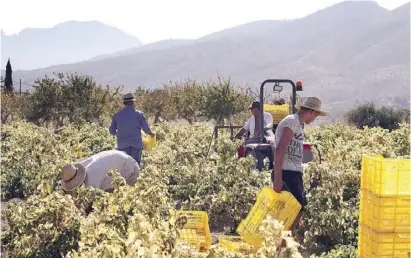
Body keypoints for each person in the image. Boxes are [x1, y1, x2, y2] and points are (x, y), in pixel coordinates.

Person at [272, 97, 326, 232]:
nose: (314, 119)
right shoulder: (292, 122)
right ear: (312, 112)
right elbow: (279, 150)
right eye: (316, 116)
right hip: (286, 173)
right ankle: (284, 242)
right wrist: (278, 180)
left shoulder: (298, 124)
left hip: (293, 172)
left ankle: (283, 240)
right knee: (297, 208)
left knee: (292, 208)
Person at [60, 150, 140, 193]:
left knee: (126, 200)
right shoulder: (81, 166)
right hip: (118, 158)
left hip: (130, 169)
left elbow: (96, 199)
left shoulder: (92, 179)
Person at [109, 93, 155, 165]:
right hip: (136, 145)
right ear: (133, 102)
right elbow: (146, 129)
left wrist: (119, 132)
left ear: (124, 103)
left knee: (124, 167)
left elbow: (112, 131)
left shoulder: (117, 115)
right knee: (136, 166)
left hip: (122, 145)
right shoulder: (139, 114)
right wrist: (151, 133)